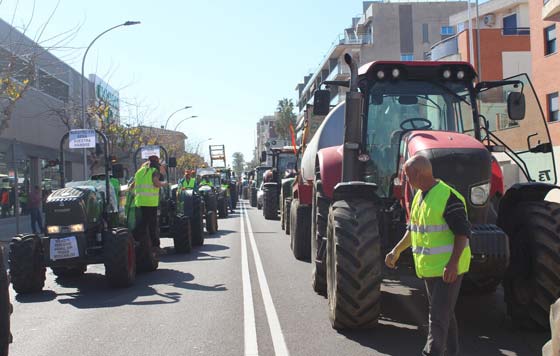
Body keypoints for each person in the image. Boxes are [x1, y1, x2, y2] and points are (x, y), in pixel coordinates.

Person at [385, 155, 471, 356]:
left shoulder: (448, 197)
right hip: (431, 269)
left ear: (417, 173)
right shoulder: (419, 197)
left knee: (438, 316)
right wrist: (396, 250)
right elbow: (413, 231)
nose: (405, 180)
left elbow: (463, 233)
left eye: (407, 176)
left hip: (448, 270)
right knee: (445, 315)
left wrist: (452, 265)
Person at [132, 155, 168, 254]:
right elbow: (156, 183)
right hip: (150, 202)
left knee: (143, 222)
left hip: (140, 201)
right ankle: (154, 246)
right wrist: (164, 184)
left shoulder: (139, 172)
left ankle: (137, 240)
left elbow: (133, 184)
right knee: (152, 225)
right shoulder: (154, 171)